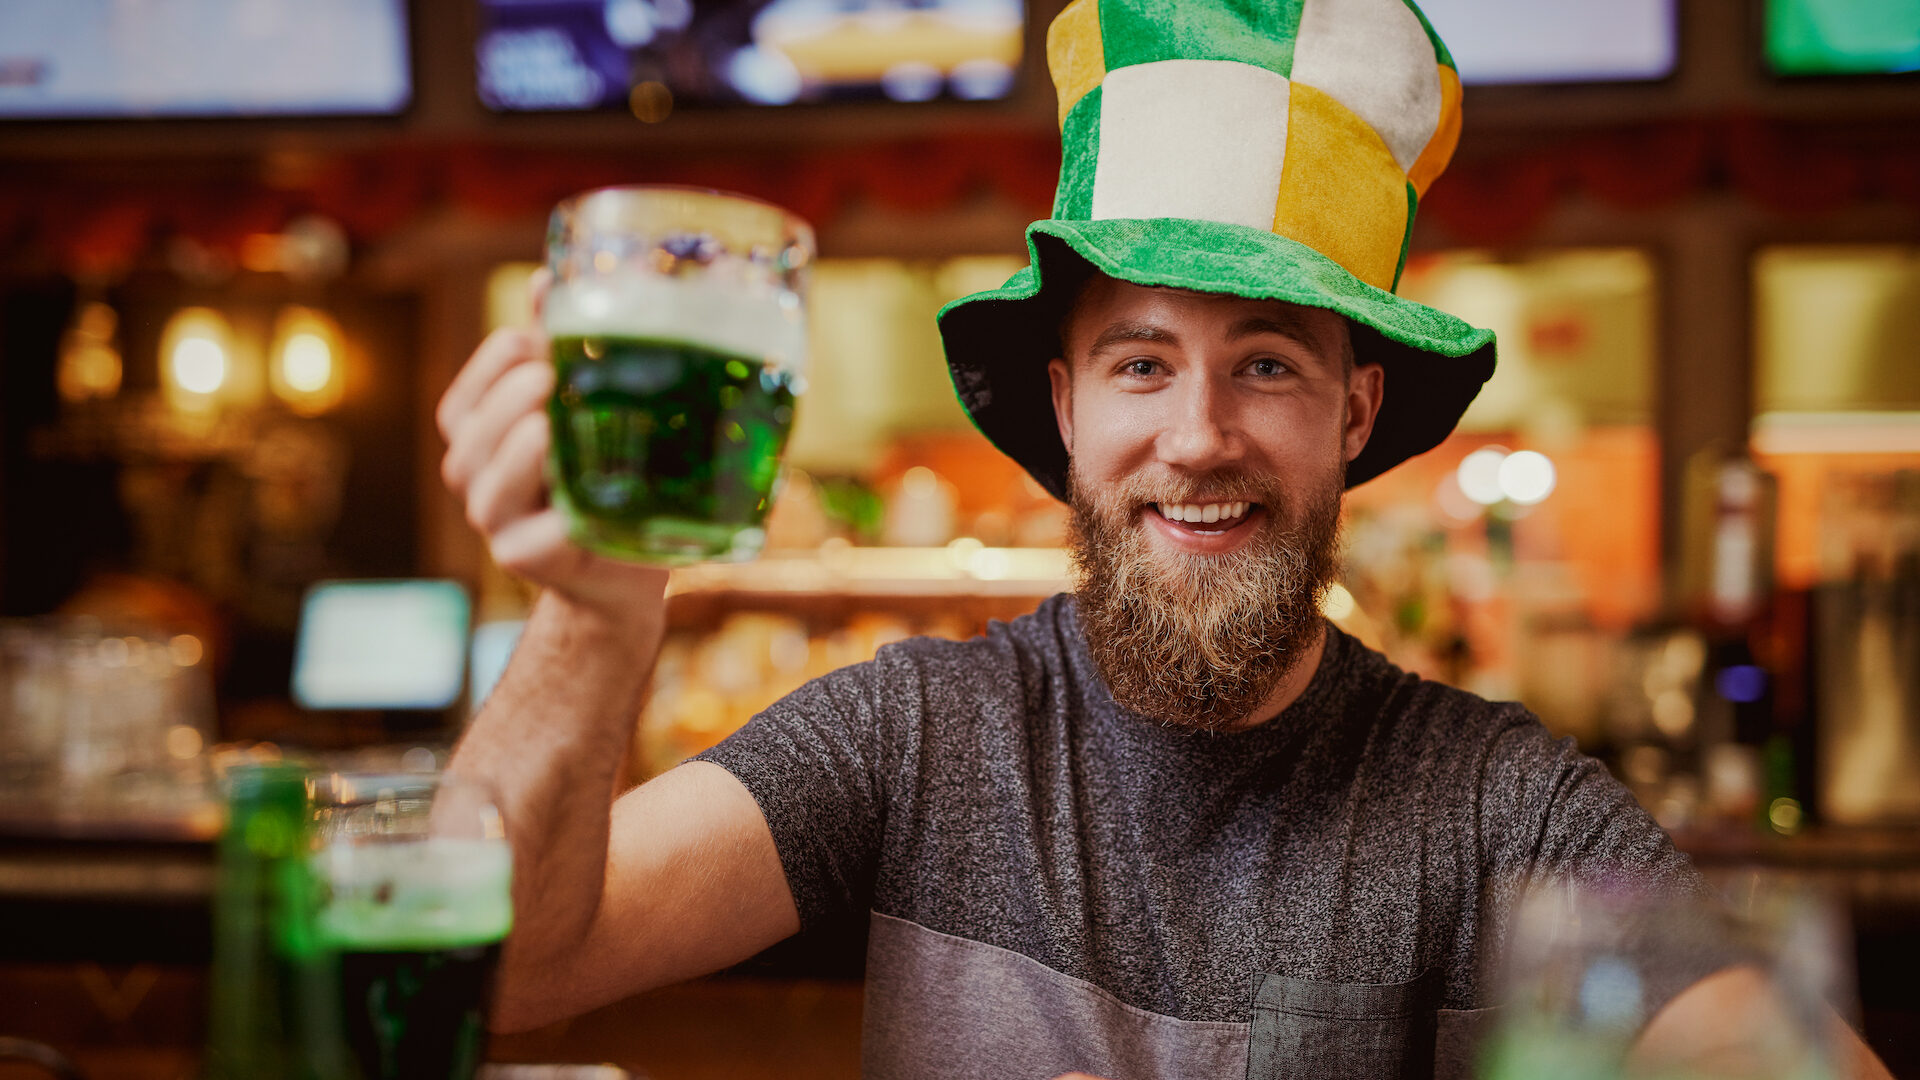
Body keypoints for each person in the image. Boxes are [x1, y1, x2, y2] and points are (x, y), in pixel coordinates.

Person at [436, 1, 1895, 1077]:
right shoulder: (915, 735)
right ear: (1067, 408)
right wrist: (593, 612)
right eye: (1141, 361)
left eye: (1266, 362)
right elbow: (494, 976)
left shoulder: (1497, 808)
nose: (1197, 436)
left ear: (1355, 413)